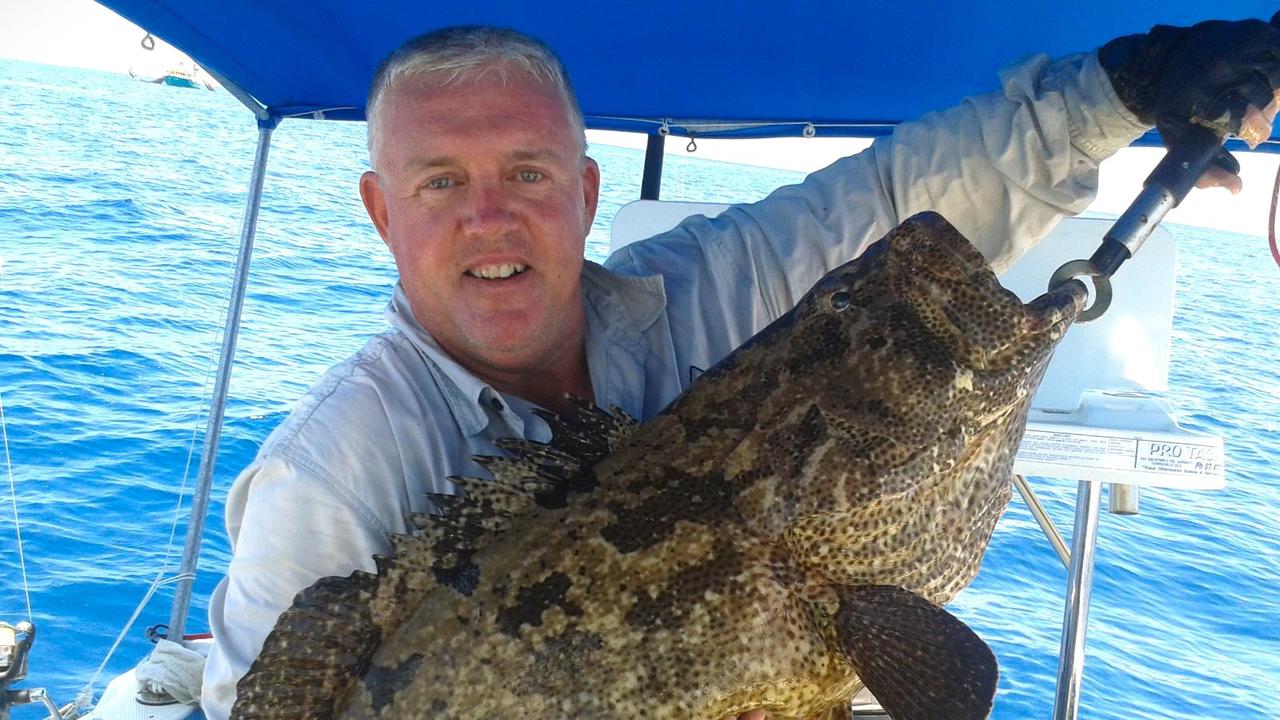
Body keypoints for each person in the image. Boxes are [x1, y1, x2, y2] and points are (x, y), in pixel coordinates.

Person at [200, 17, 1280, 720]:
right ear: (381, 214)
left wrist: (1121, 90)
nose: (491, 216)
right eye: (438, 182)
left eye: (526, 171)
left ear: (583, 192)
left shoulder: (702, 286)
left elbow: (896, 198)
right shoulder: (329, 473)